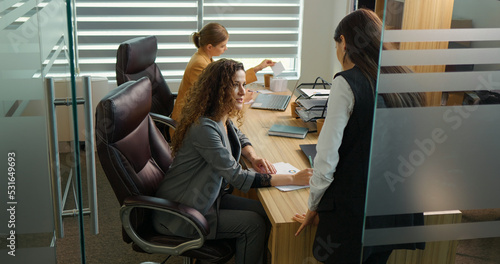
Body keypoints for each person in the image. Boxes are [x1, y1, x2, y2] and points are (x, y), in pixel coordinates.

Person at [292, 9, 425, 264]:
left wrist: (314, 204)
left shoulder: (347, 82)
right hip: (395, 201)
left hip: (356, 207)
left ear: (343, 42)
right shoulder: (405, 77)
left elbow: (327, 154)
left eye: (336, 45)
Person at [153, 59, 312, 264]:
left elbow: (240, 136)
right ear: (219, 89)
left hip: (206, 197)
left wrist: (253, 157)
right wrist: (292, 179)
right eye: (235, 85)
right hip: (183, 212)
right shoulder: (204, 128)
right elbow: (236, 177)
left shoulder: (219, 116)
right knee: (254, 224)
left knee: (263, 212)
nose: (242, 91)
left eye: (244, 84)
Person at [171, 22, 275, 123]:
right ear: (210, 47)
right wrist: (242, 99)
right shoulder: (199, 64)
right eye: (222, 46)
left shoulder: (206, 58)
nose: (226, 48)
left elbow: (227, 81)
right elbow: (213, 100)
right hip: (188, 123)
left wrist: (258, 68)